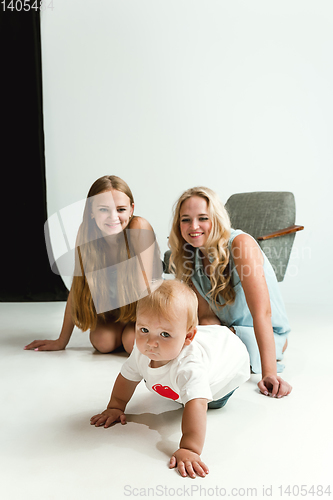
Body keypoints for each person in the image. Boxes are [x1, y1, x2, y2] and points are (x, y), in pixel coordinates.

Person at [90, 280, 250, 478]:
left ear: (187, 337)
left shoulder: (190, 366)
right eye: (144, 330)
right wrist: (115, 406)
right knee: (172, 384)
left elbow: (197, 405)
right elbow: (127, 377)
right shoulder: (142, 351)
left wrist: (190, 448)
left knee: (204, 401)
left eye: (164, 334)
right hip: (189, 362)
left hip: (225, 373)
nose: (151, 342)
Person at [168, 186, 292, 399]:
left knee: (199, 347)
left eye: (203, 218)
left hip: (261, 332)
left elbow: (262, 313)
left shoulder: (240, 244)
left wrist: (269, 373)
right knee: (193, 337)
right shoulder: (190, 255)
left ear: (216, 219)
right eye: (185, 219)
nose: (193, 226)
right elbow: (206, 318)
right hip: (226, 330)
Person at [24, 175, 160, 354]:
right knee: (102, 342)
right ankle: (121, 333)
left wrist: (148, 331)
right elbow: (78, 288)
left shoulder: (139, 228)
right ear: (91, 211)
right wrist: (61, 341)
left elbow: (145, 290)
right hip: (116, 310)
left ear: (131, 209)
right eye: (104, 209)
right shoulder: (87, 234)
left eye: (120, 209)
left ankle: (128, 334)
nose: (113, 217)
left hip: (144, 309)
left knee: (132, 343)